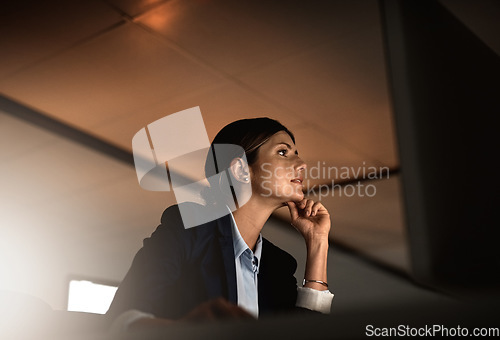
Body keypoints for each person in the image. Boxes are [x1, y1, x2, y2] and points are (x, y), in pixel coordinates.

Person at [106, 118, 334, 331]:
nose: (302, 164)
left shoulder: (278, 266)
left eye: (297, 154)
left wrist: (317, 242)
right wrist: (188, 330)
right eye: (283, 152)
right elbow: (121, 319)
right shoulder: (189, 230)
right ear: (241, 169)